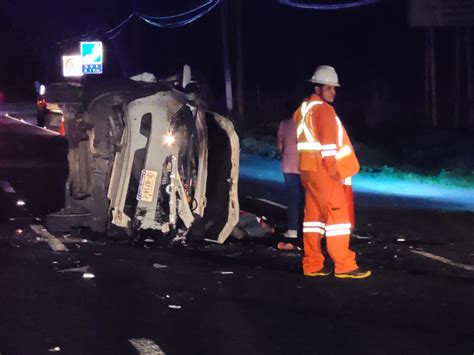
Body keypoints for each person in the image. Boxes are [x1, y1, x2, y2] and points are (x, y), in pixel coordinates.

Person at [294, 65, 371, 279]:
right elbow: (328, 146)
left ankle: (312, 264)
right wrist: (334, 172)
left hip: (307, 171)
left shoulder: (302, 110)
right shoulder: (324, 111)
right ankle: (345, 265)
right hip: (324, 172)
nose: (333, 92)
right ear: (317, 88)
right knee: (337, 217)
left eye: (334, 89)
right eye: (329, 88)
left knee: (313, 218)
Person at [277, 116, 303, 239]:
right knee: (308, 200)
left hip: (289, 166)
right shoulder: (309, 123)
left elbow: (280, 146)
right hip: (307, 168)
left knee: (293, 199)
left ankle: (292, 230)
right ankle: (310, 229)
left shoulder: (284, 124)